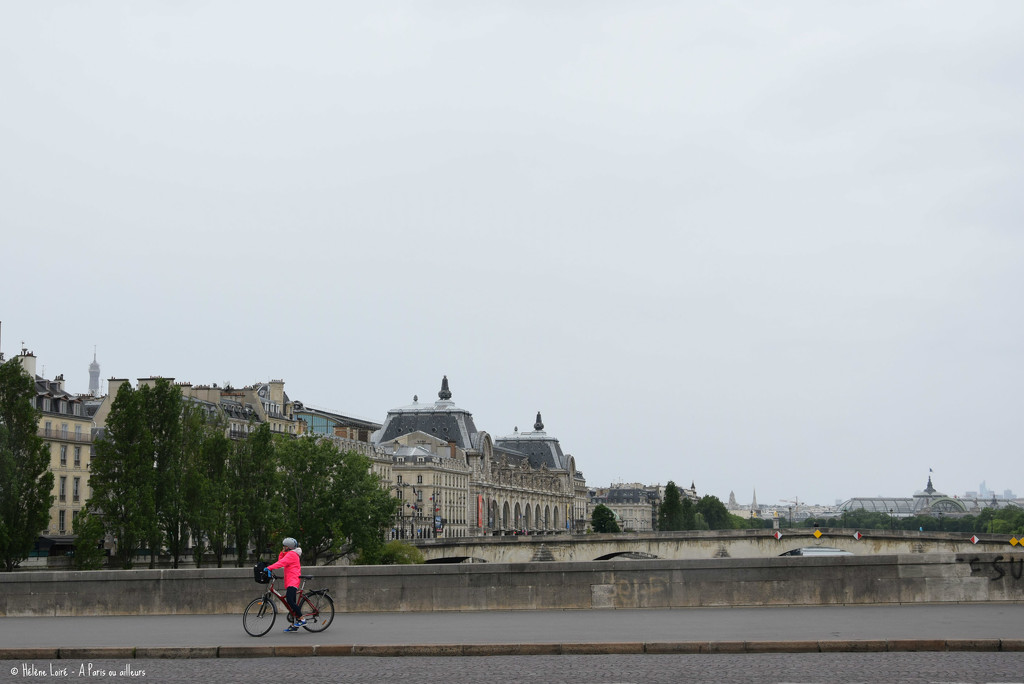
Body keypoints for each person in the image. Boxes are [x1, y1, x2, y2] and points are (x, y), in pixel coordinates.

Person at [265, 537, 305, 632]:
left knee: (290, 600)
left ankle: (302, 619)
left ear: (289, 547)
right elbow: (281, 560)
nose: (283, 547)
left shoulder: (292, 554)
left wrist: (269, 568)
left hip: (293, 580)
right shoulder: (290, 554)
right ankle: (294, 625)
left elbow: (281, 563)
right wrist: (282, 552)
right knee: (292, 604)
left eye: (285, 546)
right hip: (290, 580)